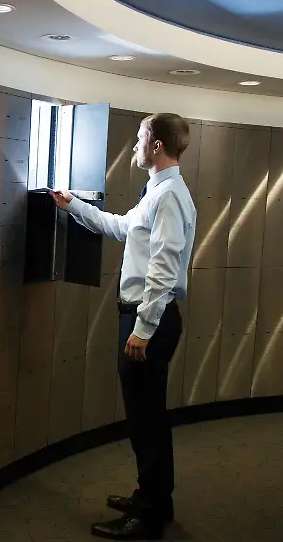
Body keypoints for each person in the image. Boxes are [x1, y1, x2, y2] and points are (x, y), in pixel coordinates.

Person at [50, 113, 196, 540]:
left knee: (146, 419)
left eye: (139, 138)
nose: (134, 145)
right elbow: (121, 227)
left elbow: (164, 268)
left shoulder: (169, 196)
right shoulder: (157, 193)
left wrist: (143, 329)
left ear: (156, 145)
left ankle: (149, 515)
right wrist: (74, 206)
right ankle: (154, 500)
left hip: (148, 321)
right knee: (147, 416)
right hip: (144, 318)